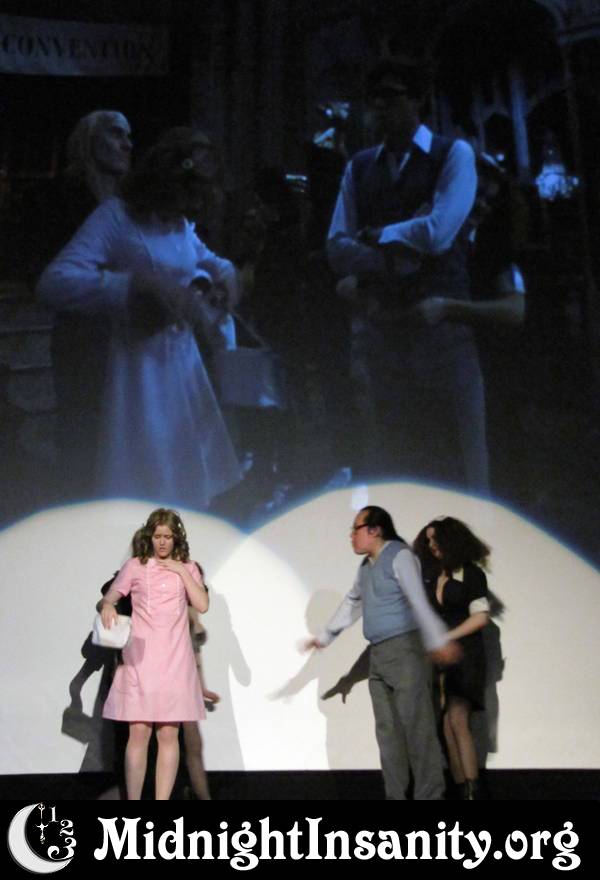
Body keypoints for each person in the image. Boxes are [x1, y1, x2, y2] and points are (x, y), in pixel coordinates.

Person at [37, 126, 242, 508]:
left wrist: (224, 273)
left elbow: (202, 255)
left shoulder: (178, 221)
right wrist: (131, 287)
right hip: (136, 369)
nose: (188, 209)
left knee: (186, 479)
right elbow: (54, 282)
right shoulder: (116, 217)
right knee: (145, 479)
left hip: (182, 367)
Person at [327, 58, 489, 491]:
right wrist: (395, 259)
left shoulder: (452, 154)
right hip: (384, 339)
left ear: (418, 99)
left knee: (459, 468)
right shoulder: (360, 166)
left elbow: (439, 233)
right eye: (374, 99)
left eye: (391, 96)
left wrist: (378, 234)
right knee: (397, 464)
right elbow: (337, 246)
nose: (379, 107)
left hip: (443, 339)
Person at [303, 505, 460, 800]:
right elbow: (353, 603)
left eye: (356, 529)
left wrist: (438, 640)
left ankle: (430, 796)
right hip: (378, 655)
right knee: (388, 734)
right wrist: (324, 636)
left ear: (375, 530)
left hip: (405, 652)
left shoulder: (399, 556)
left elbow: (418, 601)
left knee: (417, 729)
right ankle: (395, 796)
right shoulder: (366, 567)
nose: (352, 536)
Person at [34, 111, 133, 497]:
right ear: (90, 139)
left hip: (124, 332)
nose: (127, 144)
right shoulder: (61, 197)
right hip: (82, 332)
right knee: (81, 429)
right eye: (115, 133)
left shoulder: (130, 200)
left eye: (129, 135)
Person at [99, 508, 208, 800]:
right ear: (150, 536)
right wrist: (107, 605)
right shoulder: (135, 566)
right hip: (140, 660)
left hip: (175, 659)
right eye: (158, 536)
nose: (162, 542)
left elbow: (202, 604)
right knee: (139, 733)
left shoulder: (189, 568)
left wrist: (180, 570)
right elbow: (109, 598)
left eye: (168, 536)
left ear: (176, 538)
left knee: (169, 734)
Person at [414, 516, 491, 799]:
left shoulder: (471, 574)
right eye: (428, 540)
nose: (431, 545)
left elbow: (480, 617)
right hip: (443, 660)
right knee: (446, 725)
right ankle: (463, 790)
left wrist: (447, 637)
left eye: (436, 539)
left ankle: (472, 792)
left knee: (457, 719)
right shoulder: (434, 575)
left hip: (467, 656)